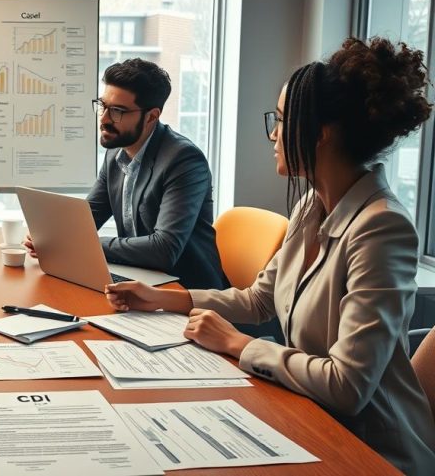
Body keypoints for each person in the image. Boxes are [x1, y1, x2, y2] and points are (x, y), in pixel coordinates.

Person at [106, 37, 435, 473]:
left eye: (280, 120)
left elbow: (348, 385)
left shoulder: (382, 227)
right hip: (311, 417)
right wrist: (162, 298)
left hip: (372, 451)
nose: (274, 134)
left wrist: (239, 344)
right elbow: (260, 300)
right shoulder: (311, 204)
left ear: (321, 133)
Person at [25, 58, 227, 290]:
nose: (104, 119)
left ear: (151, 116)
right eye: (103, 106)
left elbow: (164, 249)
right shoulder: (115, 154)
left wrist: (81, 244)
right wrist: (52, 237)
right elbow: (86, 221)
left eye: (118, 111)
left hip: (184, 290)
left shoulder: (184, 160)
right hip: (140, 278)